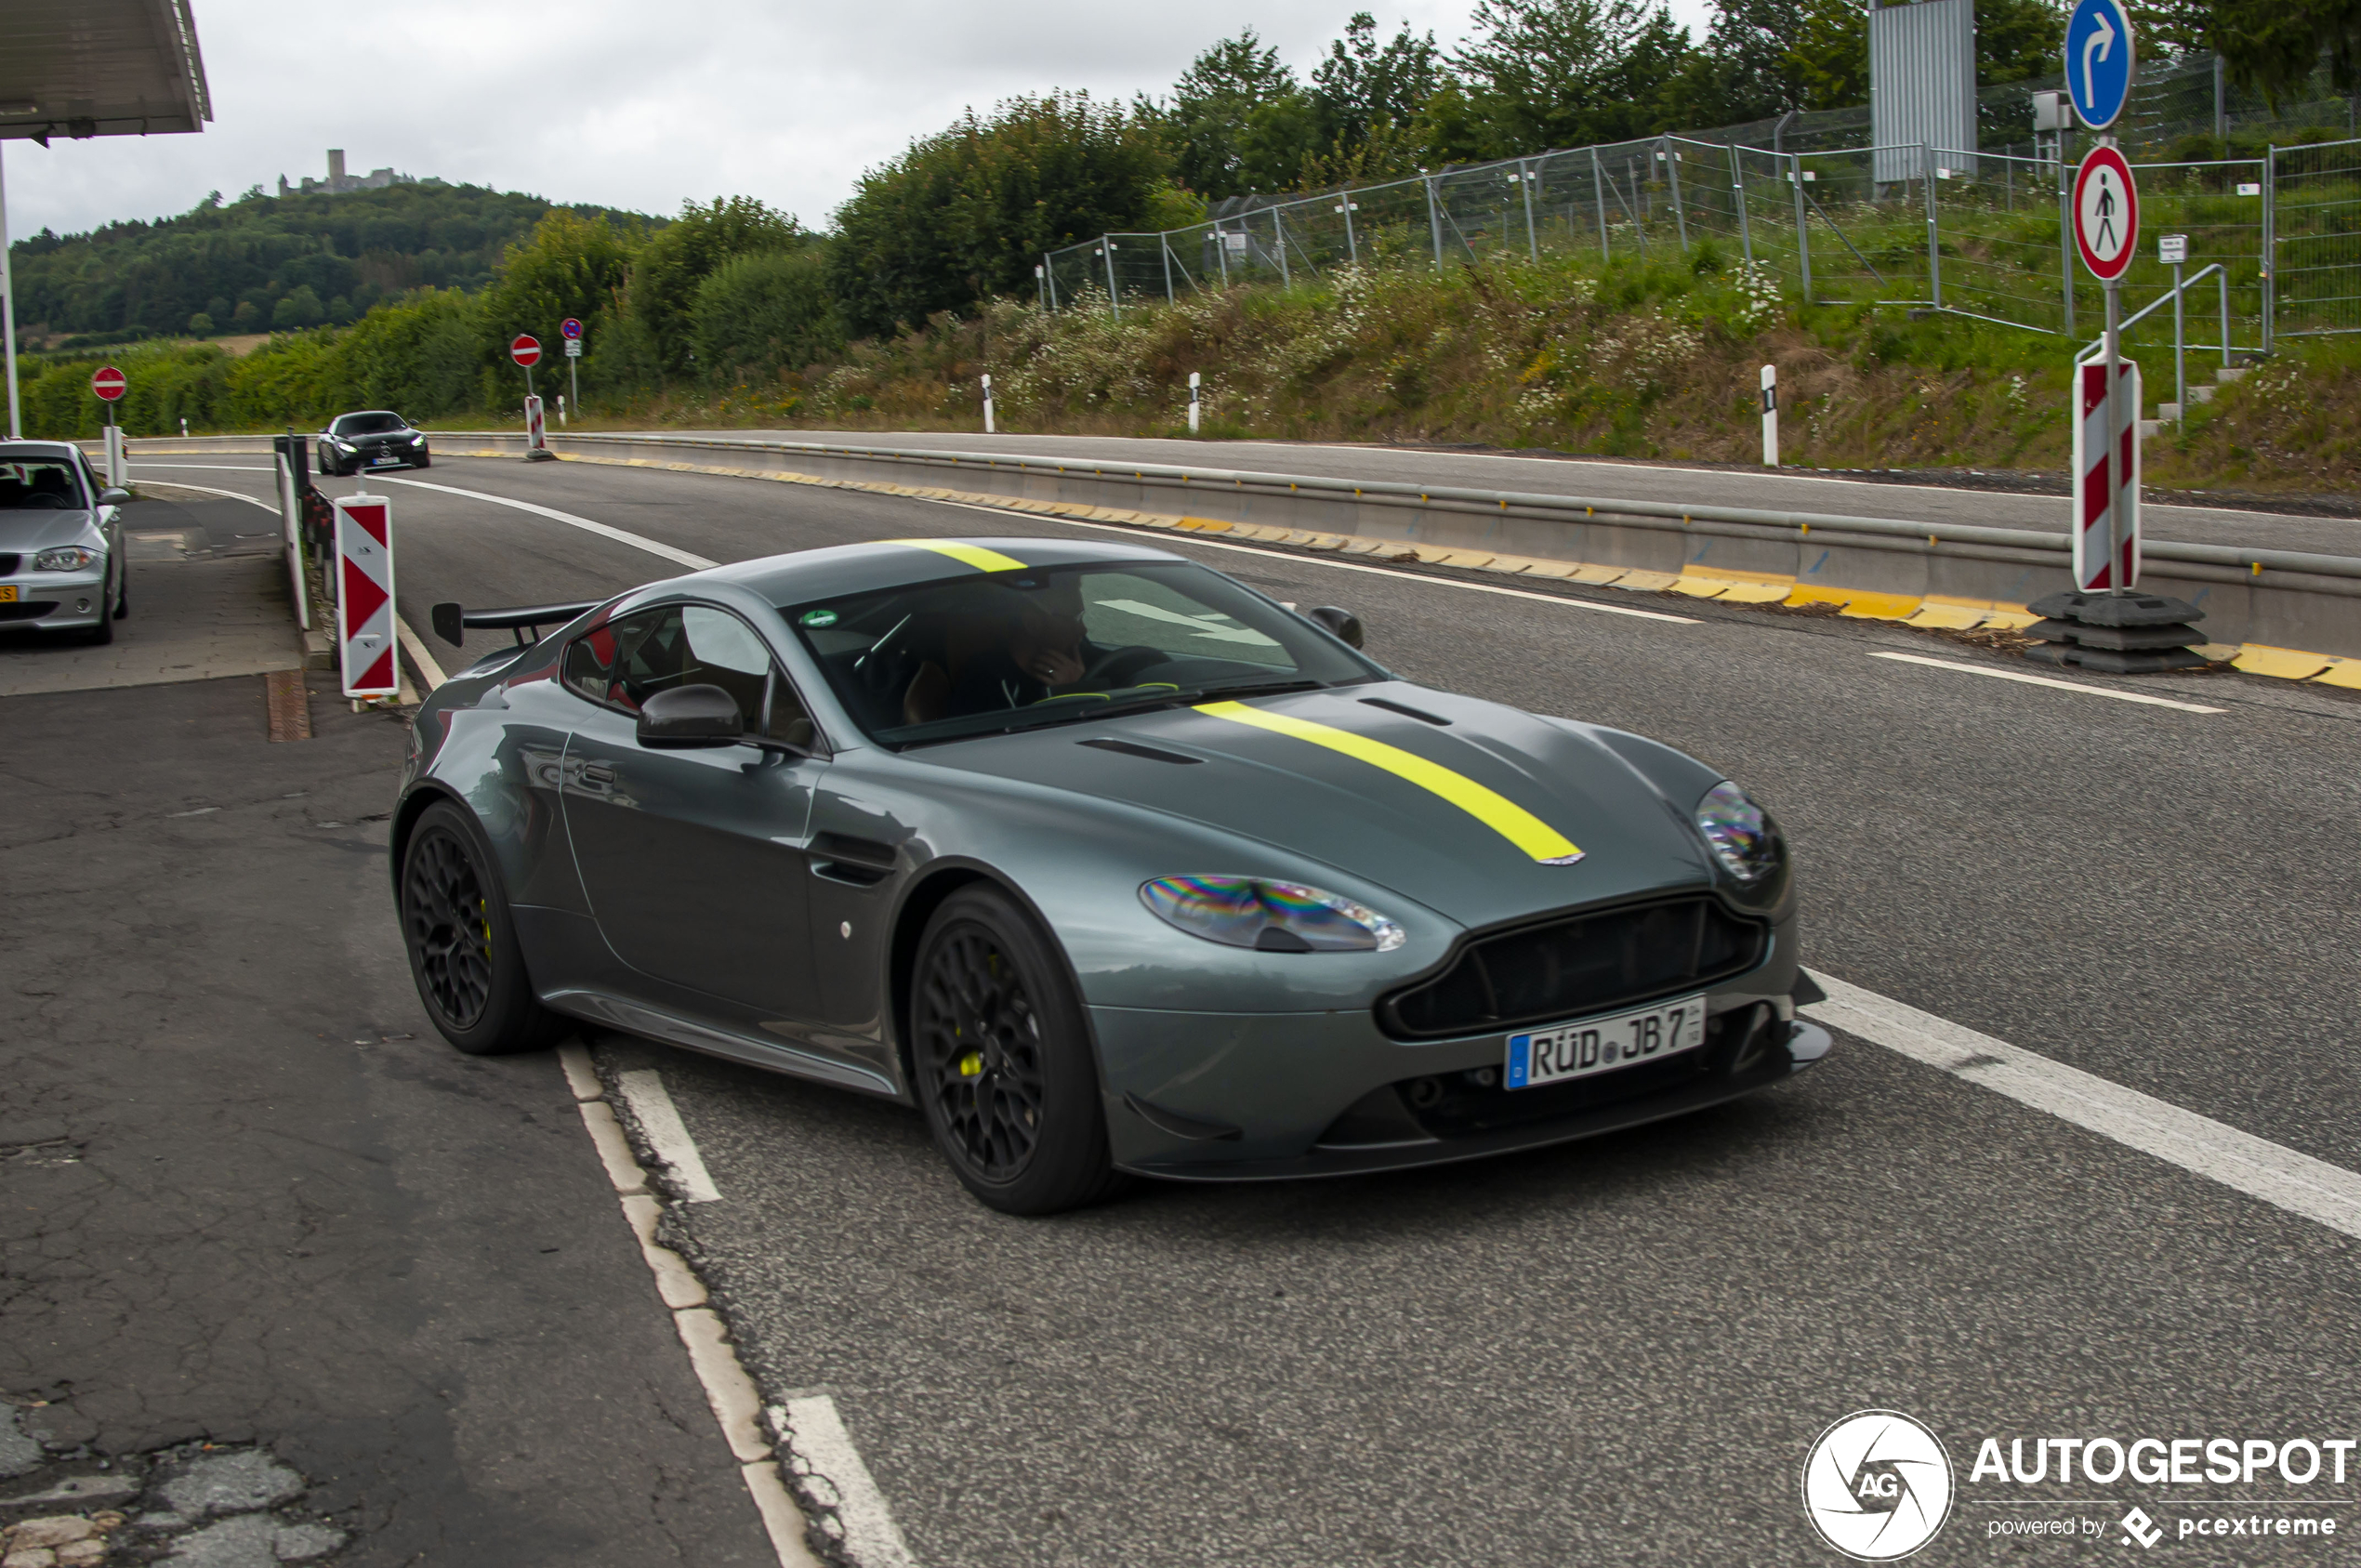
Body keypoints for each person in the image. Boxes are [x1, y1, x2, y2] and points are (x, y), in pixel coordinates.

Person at [903, 576, 1096, 723]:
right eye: (1075, 618)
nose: (1083, 629)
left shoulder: (1074, 661)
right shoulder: (985, 685)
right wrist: (1070, 692)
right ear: (1033, 623)